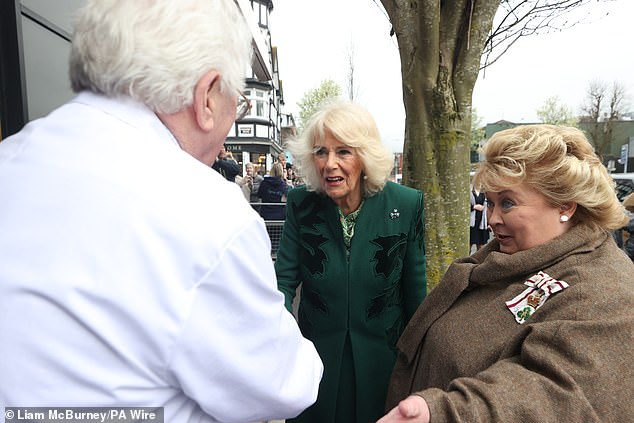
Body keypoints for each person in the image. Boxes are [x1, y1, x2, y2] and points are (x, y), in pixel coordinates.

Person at [0, 1, 323, 422]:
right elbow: (285, 384)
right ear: (206, 97)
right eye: (236, 104)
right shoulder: (207, 211)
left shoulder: (12, 157)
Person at [379, 124, 634, 423]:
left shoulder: (602, 291)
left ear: (564, 206)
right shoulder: (517, 256)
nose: (493, 219)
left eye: (508, 203)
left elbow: (554, 395)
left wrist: (445, 413)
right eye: (490, 202)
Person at [275, 101, 427, 423]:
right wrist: (279, 340)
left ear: (365, 157)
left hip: (382, 362)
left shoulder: (406, 203)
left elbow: (415, 294)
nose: (330, 164)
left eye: (343, 152)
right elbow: (283, 281)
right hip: (314, 361)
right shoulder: (301, 204)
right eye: (320, 152)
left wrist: (418, 366)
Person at [469, 184, 488, 250]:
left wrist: (489, 223)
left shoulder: (486, 192)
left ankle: (479, 260)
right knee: (468, 245)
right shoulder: (469, 192)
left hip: (482, 223)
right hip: (471, 223)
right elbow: (462, 208)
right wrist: (473, 207)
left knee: (481, 247)